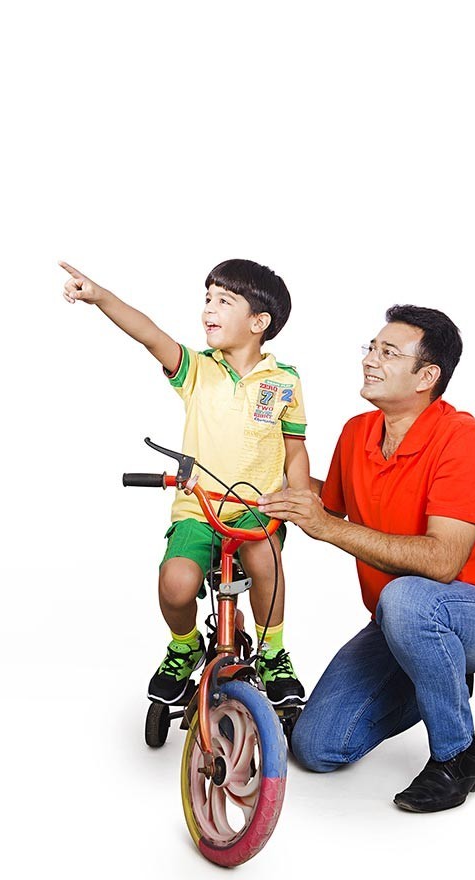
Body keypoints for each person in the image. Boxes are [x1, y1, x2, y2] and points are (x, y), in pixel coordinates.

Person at [258, 304, 475, 813]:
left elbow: (443, 562)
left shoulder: (464, 439)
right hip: (398, 619)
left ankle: (458, 757)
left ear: (428, 376)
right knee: (316, 748)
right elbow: (326, 503)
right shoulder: (358, 432)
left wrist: (326, 527)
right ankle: (433, 668)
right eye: (371, 348)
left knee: (407, 597)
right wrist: (258, 473)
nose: (370, 360)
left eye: (388, 352)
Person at [60, 258, 309, 707]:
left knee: (264, 558)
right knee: (175, 584)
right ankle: (185, 643)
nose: (208, 309)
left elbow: (294, 449)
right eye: (208, 298)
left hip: (257, 509)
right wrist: (100, 298)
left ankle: (273, 651)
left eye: (224, 301)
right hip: (199, 508)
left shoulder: (284, 381)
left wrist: (300, 494)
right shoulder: (198, 369)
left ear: (259, 322)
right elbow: (150, 334)